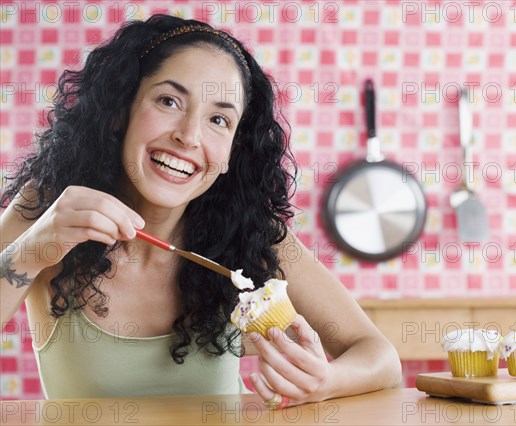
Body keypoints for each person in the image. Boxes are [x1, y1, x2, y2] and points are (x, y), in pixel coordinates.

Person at [0, 14, 401, 406]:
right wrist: (34, 249)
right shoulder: (52, 209)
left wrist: (325, 381)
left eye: (219, 120)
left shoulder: (249, 234)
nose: (189, 136)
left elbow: (379, 357)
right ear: (119, 111)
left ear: (232, 151)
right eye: (169, 100)